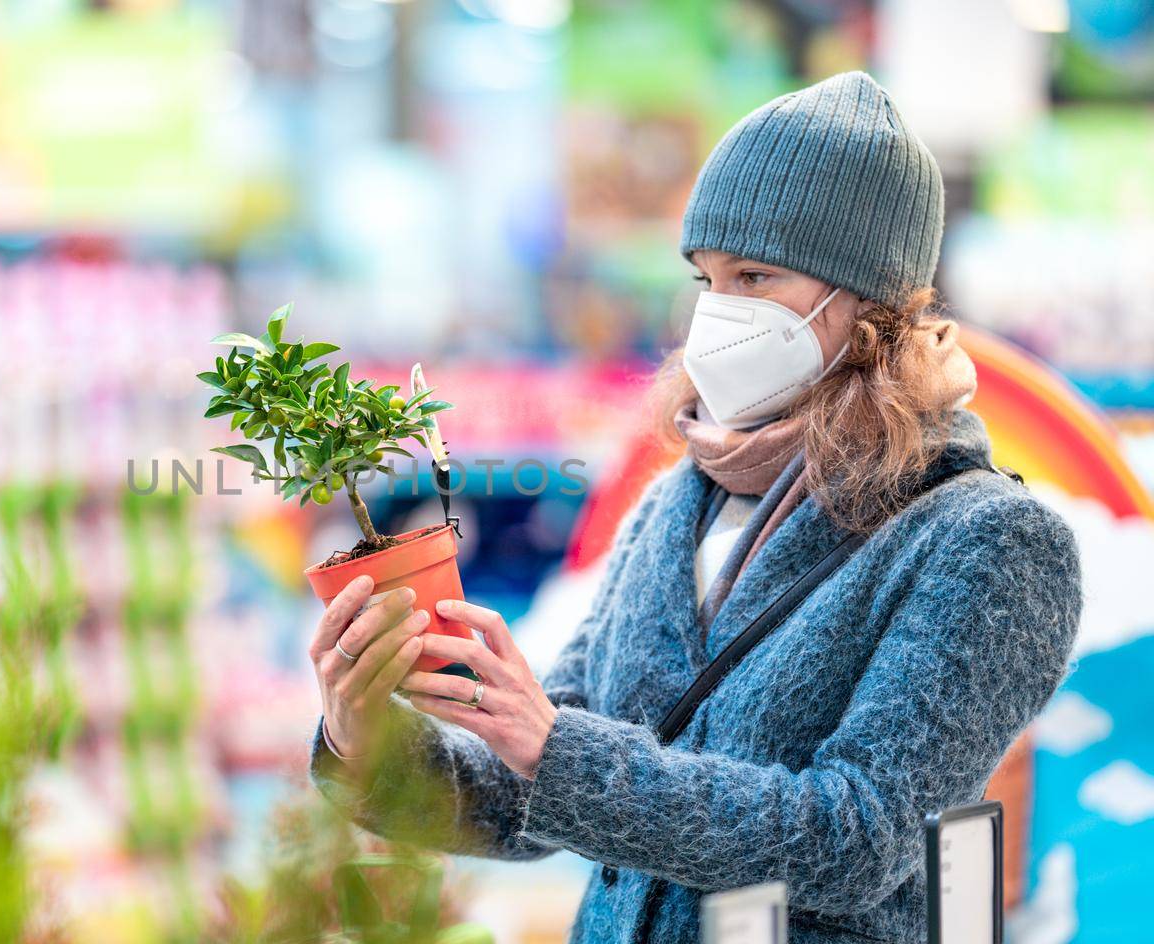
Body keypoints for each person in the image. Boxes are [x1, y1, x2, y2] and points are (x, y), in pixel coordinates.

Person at [305, 72, 1083, 944]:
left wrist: (559, 750)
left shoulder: (988, 542)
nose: (719, 312)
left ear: (867, 303)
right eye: (705, 277)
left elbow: (860, 838)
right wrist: (364, 736)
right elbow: (526, 794)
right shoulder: (674, 503)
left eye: (755, 275)